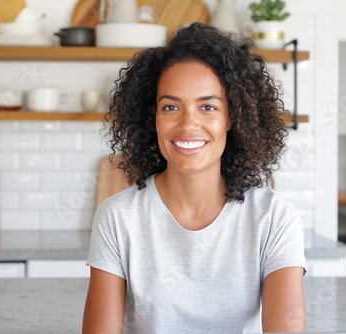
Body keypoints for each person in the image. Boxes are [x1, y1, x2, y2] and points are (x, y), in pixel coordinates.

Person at [82, 23, 307, 334]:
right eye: (171, 107)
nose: (189, 124)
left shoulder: (274, 219)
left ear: (232, 117)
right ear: (154, 119)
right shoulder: (118, 218)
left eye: (208, 107)